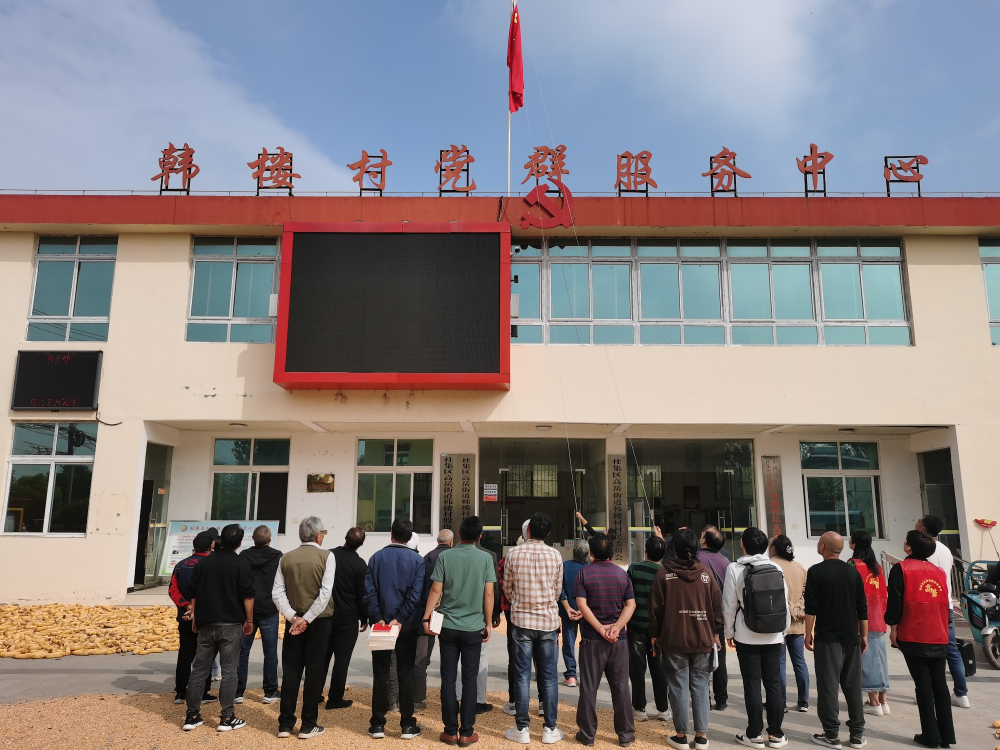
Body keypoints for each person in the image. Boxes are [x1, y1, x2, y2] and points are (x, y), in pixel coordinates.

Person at [422, 515, 497, 747]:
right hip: (473, 627)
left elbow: (436, 589)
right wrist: (488, 623)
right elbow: (488, 593)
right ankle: (466, 732)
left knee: (448, 678)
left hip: (448, 626)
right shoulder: (486, 558)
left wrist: (426, 617)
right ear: (480, 536)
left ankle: (450, 731)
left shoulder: (445, 556)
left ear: (458, 533)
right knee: (469, 678)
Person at [649, 528, 723, 750]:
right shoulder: (706, 575)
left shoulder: (664, 573)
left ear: (673, 548)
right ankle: (701, 737)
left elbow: (655, 609)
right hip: (702, 639)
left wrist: (655, 634)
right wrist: (716, 633)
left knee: (678, 686)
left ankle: (681, 735)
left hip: (673, 639)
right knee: (701, 686)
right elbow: (717, 607)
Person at [181, 524, 255, 733]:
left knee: (199, 670)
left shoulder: (204, 563)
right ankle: (227, 717)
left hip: (206, 623)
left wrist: (195, 617)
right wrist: (249, 620)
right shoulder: (241, 563)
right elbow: (248, 595)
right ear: (239, 543)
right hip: (230, 624)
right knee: (229, 671)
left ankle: (192, 716)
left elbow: (193, 592)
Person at [886, 531, 956, 748]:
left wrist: (893, 628)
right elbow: (944, 601)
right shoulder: (939, 571)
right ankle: (946, 735)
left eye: (906, 541)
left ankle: (930, 735)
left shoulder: (901, 569)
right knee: (940, 684)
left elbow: (895, 603)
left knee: (923, 685)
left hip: (914, 632)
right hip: (938, 633)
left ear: (909, 547)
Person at [722, 527, 790, 749]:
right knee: (773, 683)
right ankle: (776, 734)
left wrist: (729, 633)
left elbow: (729, 605)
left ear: (742, 544)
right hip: (773, 635)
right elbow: (784, 601)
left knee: (752, 683)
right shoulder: (776, 567)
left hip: (746, 634)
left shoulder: (735, 568)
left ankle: (754, 734)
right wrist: (783, 631)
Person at [271, 516, 336, 740]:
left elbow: (277, 593)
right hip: (318, 621)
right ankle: (308, 724)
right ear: (318, 536)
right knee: (314, 672)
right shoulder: (327, 556)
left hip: (293, 621)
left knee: (291, 672)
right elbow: (325, 594)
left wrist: (293, 617)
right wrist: (306, 619)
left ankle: (285, 723)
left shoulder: (286, 558)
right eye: (323, 533)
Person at [503, 513, 565, 745]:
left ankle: (522, 728)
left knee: (522, 675)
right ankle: (550, 728)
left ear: (527, 531)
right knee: (549, 676)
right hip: (547, 622)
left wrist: (520, 602)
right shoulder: (555, 555)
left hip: (521, 621)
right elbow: (557, 591)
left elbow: (507, 588)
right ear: (548, 533)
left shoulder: (513, 553)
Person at [804, 531, 868, 750]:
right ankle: (857, 734)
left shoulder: (815, 572)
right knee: (853, 686)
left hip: (827, 638)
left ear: (822, 547)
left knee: (828, 686)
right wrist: (864, 635)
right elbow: (862, 607)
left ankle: (831, 735)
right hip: (851, 637)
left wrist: (808, 633)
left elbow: (811, 607)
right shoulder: (852, 572)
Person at [364, 516, 425, 740]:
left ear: (391, 535)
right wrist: (400, 618)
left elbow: (369, 592)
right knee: (405, 673)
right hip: (406, 626)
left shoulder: (376, 558)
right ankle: (407, 724)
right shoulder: (417, 561)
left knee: (380, 673)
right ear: (409, 538)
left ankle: (377, 724)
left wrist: (378, 617)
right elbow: (415, 594)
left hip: (381, 624)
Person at [573, 534, 636, 748]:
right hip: (619, 640)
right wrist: (616, 627)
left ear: (591, 553)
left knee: (589, 687)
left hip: (592, 639)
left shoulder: (583, 573)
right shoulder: (622, 575)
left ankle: (587, 734)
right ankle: (626, 735)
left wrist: (600, 628)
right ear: (611, 552)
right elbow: (630, 605)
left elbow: (582, 605)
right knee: (621, 687)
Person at [916, 515, 969, 709]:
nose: (916, 523)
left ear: (923, 529)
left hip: (927, 606)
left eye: (918, 521)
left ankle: (928, 693)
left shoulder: (922, 550)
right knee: (952, 650)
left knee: (925, 651)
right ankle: (962, 694)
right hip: (945, 605)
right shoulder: (946, 550)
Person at [169, 530, 216, 705]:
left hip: (185, 616)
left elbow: (173, 590)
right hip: (205, 617)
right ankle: (202, 692)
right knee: (205, 655)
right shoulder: (212, 565)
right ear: (210, 546)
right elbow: (212, 591)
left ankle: (181, 691)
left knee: (185, 654)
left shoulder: (181, 565)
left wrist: (187, 606)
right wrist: (197, 608)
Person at [324, 526, 369, 710]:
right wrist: (364, 617)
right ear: (361, 544)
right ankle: (335, 698)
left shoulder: (328, 555)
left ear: (345, 537)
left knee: (321, 657)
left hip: (325, 615)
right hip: (348, 618)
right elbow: (362, 594)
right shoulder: (360, 565)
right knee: (342, 660)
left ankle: (314, 694)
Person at [626, 535, 670, 722]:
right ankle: (663, 709)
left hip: (636, 627)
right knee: (659, 669)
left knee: (637, 669)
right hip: (658, 630)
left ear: (645, 550)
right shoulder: (666, 572)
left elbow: (626, 596)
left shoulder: (634, 568)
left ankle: (640, 709)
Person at [848, 531, 889, 717]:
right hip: (878, 617)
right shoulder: (876, 567)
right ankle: (883, 701)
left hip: (861, 618)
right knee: (880, 659)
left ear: (854, 544)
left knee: (867, 660)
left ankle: (873, 702)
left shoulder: (853, 565)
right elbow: (883, 594)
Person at [769, 534, 809, 713]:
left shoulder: (772, 565)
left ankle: (782, 702)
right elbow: (806, 592)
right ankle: (803, 701)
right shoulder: (799, 567)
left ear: (774, 548)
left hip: (778, 621)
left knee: (780, 664)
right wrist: (797, 606)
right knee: (800, 662)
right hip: (798, 620)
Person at [414, 529, 454, 710]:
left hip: (432, 608)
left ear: (438, 541)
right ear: (451, 542)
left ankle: (424, 669)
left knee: (427, 643)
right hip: (449, 607)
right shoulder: (453, 555)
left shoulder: (428, 556)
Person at [700, 525, 732, 711]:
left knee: (701, 659)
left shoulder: (696, 558)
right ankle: (721, 699)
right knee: (720, 658)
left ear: (704, 540)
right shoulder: (726, 561)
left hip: (700, 615)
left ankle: (704, 698)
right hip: (719, 616)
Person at [559, 540, 589, 688]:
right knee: (586, 642)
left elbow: (560, 588)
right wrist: (583, 610)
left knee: (569, 642)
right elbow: (592, 592)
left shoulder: (565, 565)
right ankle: (587, 675)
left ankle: (571, 675)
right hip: (587, 612)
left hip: (568, 611)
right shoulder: (591, 567)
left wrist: (567, 607)